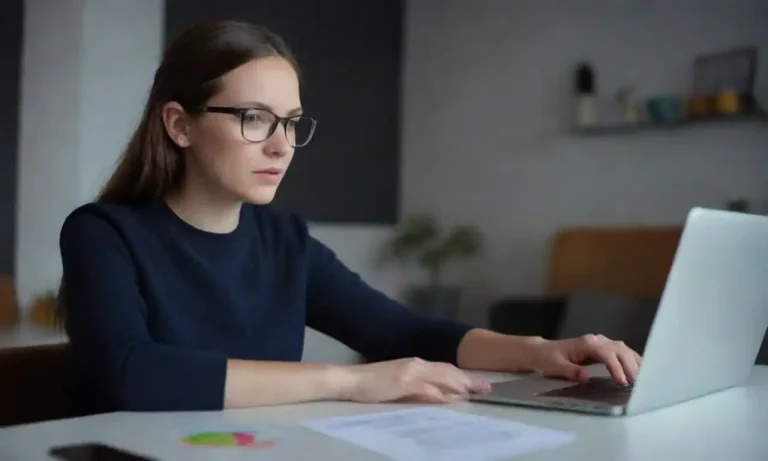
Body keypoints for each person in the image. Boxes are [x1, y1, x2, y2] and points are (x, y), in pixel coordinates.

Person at [56, 19, 641, 416]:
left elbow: (404, 333)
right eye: (255, 119)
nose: (281, 146)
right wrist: (350, 380)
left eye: (291, 122)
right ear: (179, 124)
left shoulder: (284, 239)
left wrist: (539, 350)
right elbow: (130, 374)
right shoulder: (103, 234)